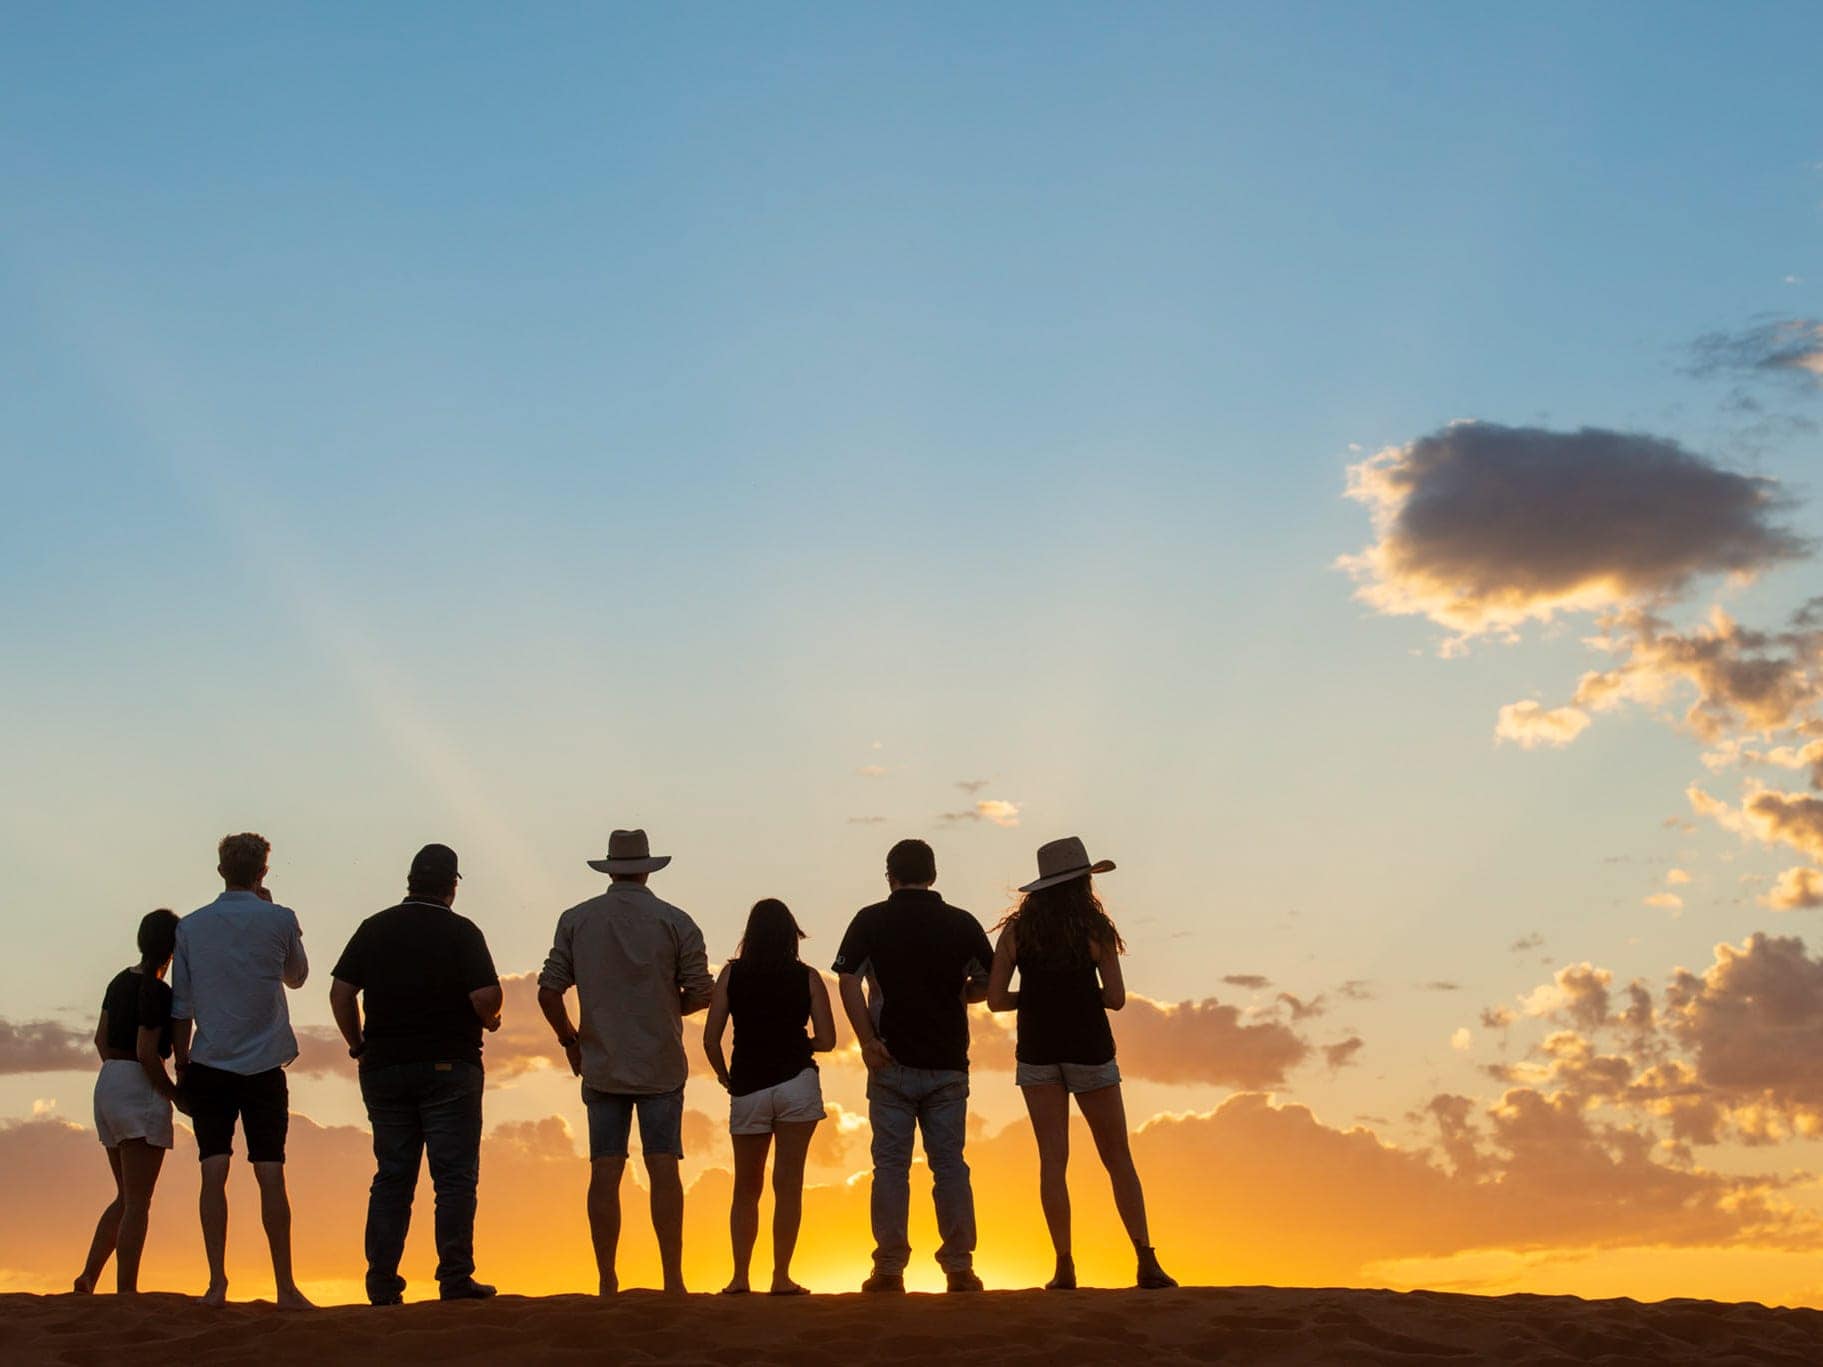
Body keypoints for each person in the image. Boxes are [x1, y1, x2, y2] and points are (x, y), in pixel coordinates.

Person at [986, 836, 1176, 1291]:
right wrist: (1077, 994)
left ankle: (1064, 1265)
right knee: (1117, 1158)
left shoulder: (1017, 933)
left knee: (1053, 1161)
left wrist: (1034, 997)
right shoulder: (1095, 930)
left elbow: (994, 1000)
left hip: (1037, 1053)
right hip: (1090, 1049)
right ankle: (1145, 1258)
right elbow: (1115, 998)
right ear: (1082, 882)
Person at [537, 829, 714, 1295]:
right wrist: (669, 1007)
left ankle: (607, 1280)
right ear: (646, 868)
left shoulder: (577, 920)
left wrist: (569, 1041)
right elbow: (702, 989)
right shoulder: (675, 921)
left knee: (605, 1171)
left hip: (601, 1061)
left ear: (610, 868)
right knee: (663, 1168)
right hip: (659, 1062)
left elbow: (549, 990)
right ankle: (673, 1278)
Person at [330, 843, 503, 1304]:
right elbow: (486, 996)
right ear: (452, 886)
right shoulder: (463, 932)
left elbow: (341, 994)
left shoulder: (374, 928)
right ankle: (454, 1277)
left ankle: (382, 1281)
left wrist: (357, 1045)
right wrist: (490, 1019)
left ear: (409, 881)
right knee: (453, 1178)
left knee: (392, 1176)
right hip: (449, 1064)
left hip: (384, 1066)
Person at [832, 838, 993, 1293]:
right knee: (950, 1166)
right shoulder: (961, 922)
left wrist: (867, 1040)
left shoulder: (871, 920)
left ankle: (889, 1268)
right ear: (934, 874)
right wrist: (962, 994)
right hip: (947, 1062)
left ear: (890, 876)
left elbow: (847, 979)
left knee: (889, 1167)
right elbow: (991, 979)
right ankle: (959, 1266)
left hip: (890, 1061)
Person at [170, 832, 314, 1309]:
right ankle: (286, 1286)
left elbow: (182, 1006)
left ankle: (216, 1283)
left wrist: (183, 1066)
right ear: (262, 873)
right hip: (265, 1063)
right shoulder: (279, 918)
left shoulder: (190, 927)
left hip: (210, 1061)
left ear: (220, 870)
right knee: (270, 1172)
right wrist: (276, 913)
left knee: (213, 1169)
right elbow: (297, 976)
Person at [702, 898, 836, 1295]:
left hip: (748, 1084)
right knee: (788, 1184)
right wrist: (800, 1043)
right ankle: (780, 1276)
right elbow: (828, 1040)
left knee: (746, 1187)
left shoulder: (731, 974)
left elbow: (711, 1039)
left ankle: (740, 1277)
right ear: (791, 935)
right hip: (796, 1081)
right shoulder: (808, 977)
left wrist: (725, 1076)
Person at [74, 908, 185, 1295]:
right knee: (139, 1200)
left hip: (108, 1083)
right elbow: (147, 1051)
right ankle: (126, 1291)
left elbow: (101, 1041)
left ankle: (90, 1275)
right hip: (138, 1085)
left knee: (124, 1195)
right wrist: (174, 1095)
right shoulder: (158, 991)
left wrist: (119, 1077)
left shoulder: (119, 981)